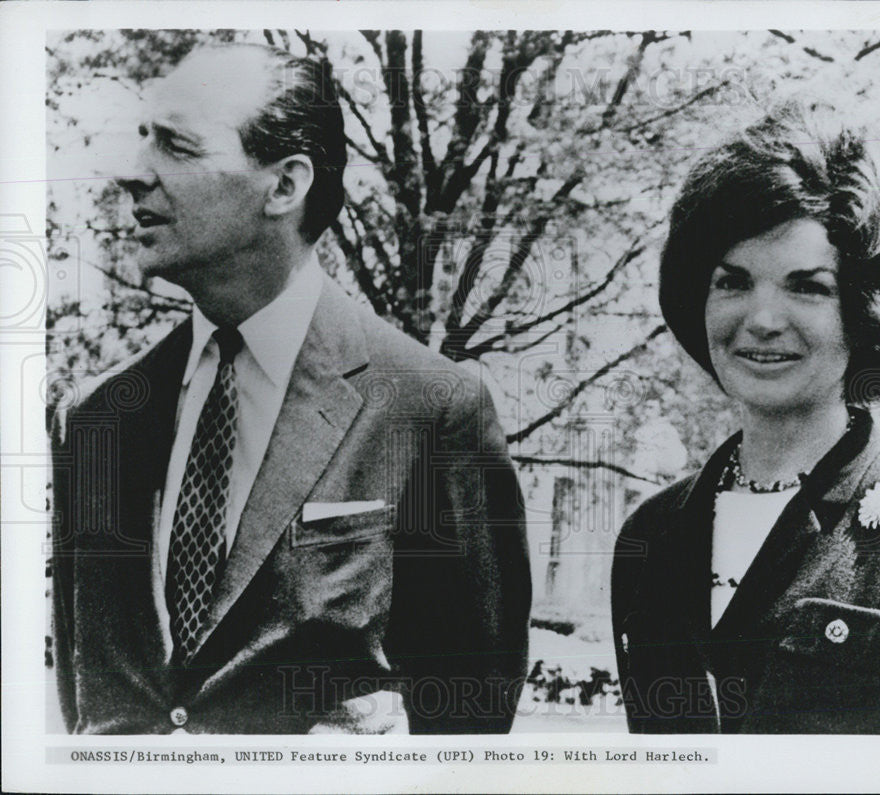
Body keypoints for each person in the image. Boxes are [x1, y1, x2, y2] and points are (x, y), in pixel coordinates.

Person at [50, 43, 531, 734]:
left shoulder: (431, 409)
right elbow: (87, 702)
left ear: (284, 185)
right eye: (142, 138)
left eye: (177, 146)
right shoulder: (93, 419)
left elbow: (475, 711)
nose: (133, 174)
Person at [611, 104, 880, 734]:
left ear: (866, 310)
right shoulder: (650, 533)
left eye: (808, 287)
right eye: (733, 282)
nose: (763, 319)